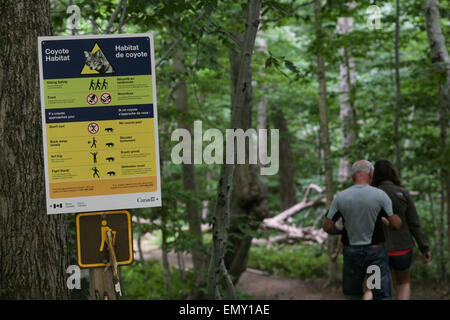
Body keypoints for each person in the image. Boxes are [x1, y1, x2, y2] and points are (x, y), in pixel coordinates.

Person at [323, 160, 402, 300]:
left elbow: (327, 227)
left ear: (353, 176)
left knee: (352, 295)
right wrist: (387, 221)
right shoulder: (380, 196)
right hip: (374, 255)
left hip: (352, 254)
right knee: (379, 295)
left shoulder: (340, 197)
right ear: (371, 173)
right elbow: (396, 224)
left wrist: (341, 230)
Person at [367, 159, 431, 300]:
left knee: (373, 287)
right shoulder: (403, 193)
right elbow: (414, 223)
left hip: (376, 249)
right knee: (403, 283)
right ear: (392, 173)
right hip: (402, 248)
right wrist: (424, 248)